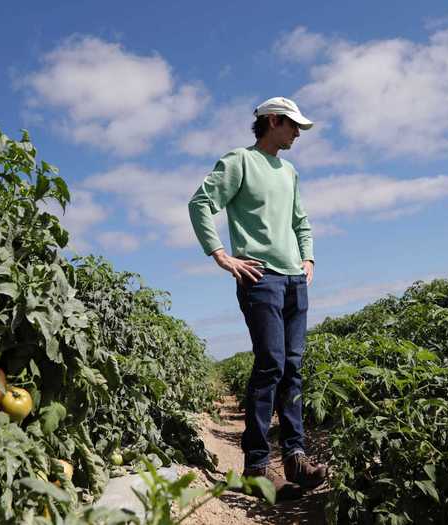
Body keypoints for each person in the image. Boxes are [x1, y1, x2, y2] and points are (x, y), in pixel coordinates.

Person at [188, 97, 327, 501]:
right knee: (271, 364)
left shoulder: (290, 171)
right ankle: (256, 468)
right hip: (260, 277)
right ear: (271, 121)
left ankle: (296, 458)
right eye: (292, 126)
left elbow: (301, 220)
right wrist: (220, 255)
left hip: (294, 279)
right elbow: (201, 203)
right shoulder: (239, 162)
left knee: (294, 367)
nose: (297, 133)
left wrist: (308, 256)